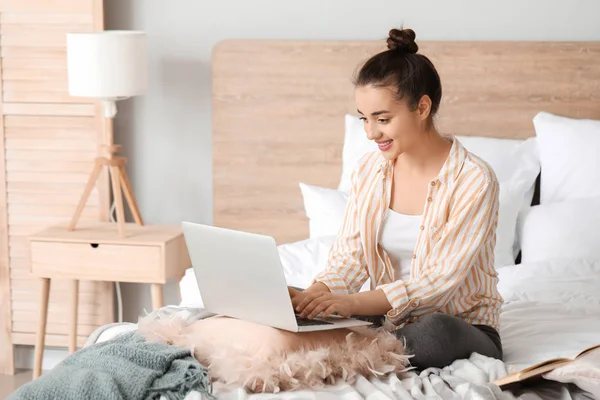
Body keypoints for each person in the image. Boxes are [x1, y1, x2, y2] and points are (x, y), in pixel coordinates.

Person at [290, 28, 504, 371]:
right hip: (386, 319)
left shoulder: (474, 180)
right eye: (365, 119)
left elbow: (438, 282)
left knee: (435, 331)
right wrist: (316, 296)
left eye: (383, 119)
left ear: (422, 107)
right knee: (299, 307)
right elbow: (351, 254)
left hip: (458, 324)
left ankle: (350, 349)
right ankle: (340, 341)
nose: (371, 133)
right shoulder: (370, 171)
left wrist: (350, 304)